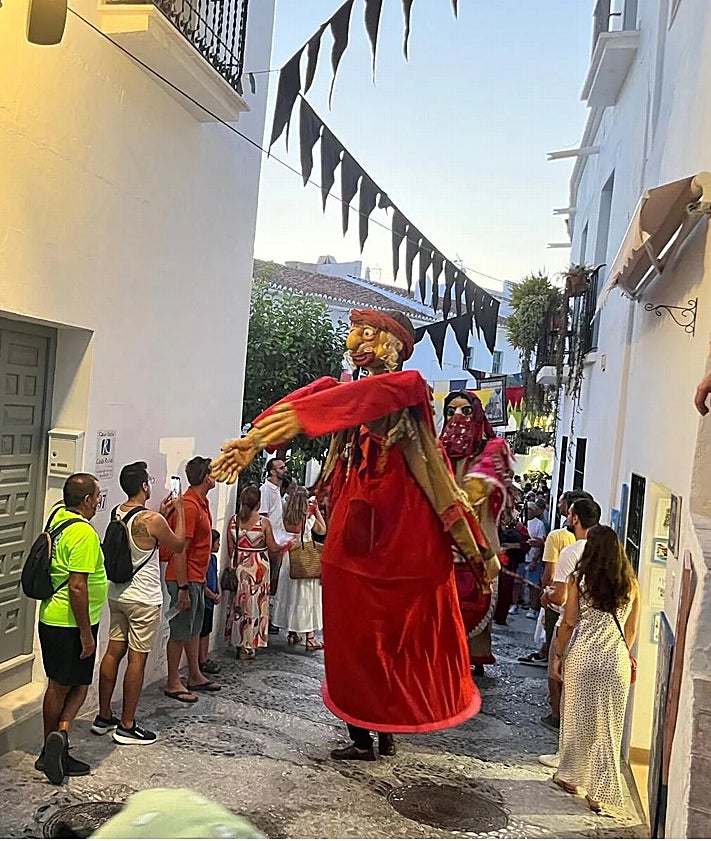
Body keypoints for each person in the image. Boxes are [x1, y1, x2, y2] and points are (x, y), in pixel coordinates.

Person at [211, 309, 494, 761]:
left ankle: (382, 731)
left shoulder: (407, 388)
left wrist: (301, 418)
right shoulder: (351, 397)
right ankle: (368, 733)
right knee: (353, 643)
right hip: (352, 541)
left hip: (397, 544)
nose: (354, 343)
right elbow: (327, 395)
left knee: (386, 642)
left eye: (366, 334)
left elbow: (368, 397)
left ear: (394, 345)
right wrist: (255, 439)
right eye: (354, 333)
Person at [94, 461, 186, 745]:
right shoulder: (152, 520)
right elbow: (178, 544)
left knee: (113, 652)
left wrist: (163, 513)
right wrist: (180, 510)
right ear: (144, 486)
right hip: (143, 599)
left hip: (118, 594)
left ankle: (104, 716)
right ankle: (127, 724)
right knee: (137, 659)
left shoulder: (117, 512)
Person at [553, 525, 640, 812]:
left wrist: (558, 655)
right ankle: (599, 794)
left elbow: (569, 622)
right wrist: (618, 652)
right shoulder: (631, 584)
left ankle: (571, 777)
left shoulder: (579, 580)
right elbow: (631, 630)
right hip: (616, 661)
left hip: (583, 657)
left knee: (577, 720)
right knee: (609, 727)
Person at [36, 473, 106, 784]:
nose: (98, 502)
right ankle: (56, 743)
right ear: (87, 500)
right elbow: (78, 586)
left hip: (51, 617)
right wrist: (86, 634)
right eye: (97, 496)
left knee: (60, 685)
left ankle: (54, 742)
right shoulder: (84, 533)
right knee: (75, 686)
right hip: (72, 624)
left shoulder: (57, 517)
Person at [439, 390, 502, 675]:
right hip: (442, 542)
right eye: (451, 411)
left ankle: (473, 655)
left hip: (479, 542)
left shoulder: (491, 451)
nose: (457, 417)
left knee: (476, 601)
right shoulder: (437, 452)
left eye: (465, 411)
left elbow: (477, 493)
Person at [538, 496, 601, 766]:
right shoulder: (606, 553)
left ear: (575, 518)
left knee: (557, 677)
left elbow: (561, 597)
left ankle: (560, 732)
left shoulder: (571, 552)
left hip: (571, 625)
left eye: (569, 514)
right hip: (599, 631)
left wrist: (546, 595)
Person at [164, 456, 220, 702]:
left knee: (193, 628)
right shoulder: (189, 506)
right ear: (206, 477)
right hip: (183, 579)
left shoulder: (200, 503)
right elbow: (180, 550)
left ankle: (195, 674)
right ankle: (172, 681)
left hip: (196, 577)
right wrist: (183, 587)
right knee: (180, 630)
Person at [225, 485, 292, 659]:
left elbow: (231, 548)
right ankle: (248, 646)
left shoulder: (233, 521)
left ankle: (239, 641)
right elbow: (273, 547)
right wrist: (286, 545)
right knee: (255, 607)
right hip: (258, 570)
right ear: (258, 503)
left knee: (239, 606)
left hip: (239, 567)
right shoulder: (263, 523)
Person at [273, 487, 327, 651]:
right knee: (306, 599)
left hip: (289, 559)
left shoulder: (285, 516)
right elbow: (322, 530)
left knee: (291, 596)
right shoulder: (308, 518)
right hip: (305, 561)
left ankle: (292, 633)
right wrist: (315, 511)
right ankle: (310, 638)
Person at [260, 457, 289, 633]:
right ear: (272, 472)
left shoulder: (277, 490)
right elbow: (263, 516)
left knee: (275, 580)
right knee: (270, 580)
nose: (284, 470)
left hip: (279, 539)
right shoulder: (266, 490)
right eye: (281, 468)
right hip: (271, 541)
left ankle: (270, 617)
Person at [198, 529, 222, 674]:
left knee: (207, 630)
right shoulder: (204, 560)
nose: (219, 545)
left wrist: (218, 591)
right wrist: (212, 595)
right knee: (202, 631)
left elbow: (215, 577)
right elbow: (203, 583)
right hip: (206, 600)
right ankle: (201, 658)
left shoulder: (213, 559)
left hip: (211, 600)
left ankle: (205, 656)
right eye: (217, 543)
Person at [521, 500, 546, 619]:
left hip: (532, 557)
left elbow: (540, 543)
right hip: (522, 557)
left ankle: (533, 607)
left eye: (530, 510)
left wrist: (535, 559)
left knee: (533, 584)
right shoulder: (521, 521)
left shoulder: (539, 524)